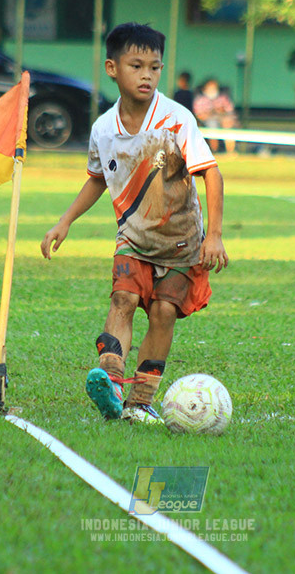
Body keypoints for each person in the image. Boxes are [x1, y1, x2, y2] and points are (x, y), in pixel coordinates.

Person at [40, 23, 229, 424]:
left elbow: (210, 172)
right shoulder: (103, 129)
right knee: (122, 300)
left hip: (181, 244)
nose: (147, 75)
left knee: (162, 313)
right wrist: (65, 221)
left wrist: (214, 235)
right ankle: (109, 382)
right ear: (112, 68)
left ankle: (140, 401)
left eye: (155, 67)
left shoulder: (176, 119)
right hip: (132, 239)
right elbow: (97, 178)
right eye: (136, 65)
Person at [194, 77, 238, 153]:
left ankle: (230, 151)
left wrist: (222, 111)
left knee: (227, 123)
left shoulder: (223, 98)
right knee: (212, 124)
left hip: (222, 118)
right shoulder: (200, 100)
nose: (212, 90)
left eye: (214, 88)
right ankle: (215, 151)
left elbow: (230, 110)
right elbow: (198, 114)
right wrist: (209, 113)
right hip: (207, 120)